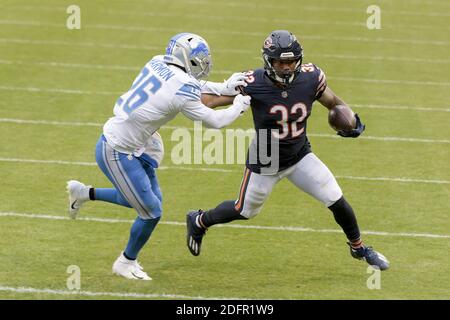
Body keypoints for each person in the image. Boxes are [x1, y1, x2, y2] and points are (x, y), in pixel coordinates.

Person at [186, 30, 389, 270]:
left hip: (299, 153)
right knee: (245, 210)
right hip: (266, 157)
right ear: (269, 61)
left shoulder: (311, 77)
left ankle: (359, 248)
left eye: (291, 61)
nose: (287, 67)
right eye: (281, 62)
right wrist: (181, 92)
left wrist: (351, 120)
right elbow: (208, 101)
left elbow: (334, 103)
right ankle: (199, 220)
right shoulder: (253, 82)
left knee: (335, 197)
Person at [66, 32, 251, 280]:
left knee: (149, 200)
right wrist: (239, 105)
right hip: (118, 150)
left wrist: (224, 86)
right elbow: (215, 121)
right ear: (186, 57)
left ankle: (83, 193)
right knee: (150, 211)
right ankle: (125, 262)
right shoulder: (182, 85)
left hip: (138, 141)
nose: (203, 62)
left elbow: (189, 85)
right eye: (198, 58)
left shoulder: (157, 61)